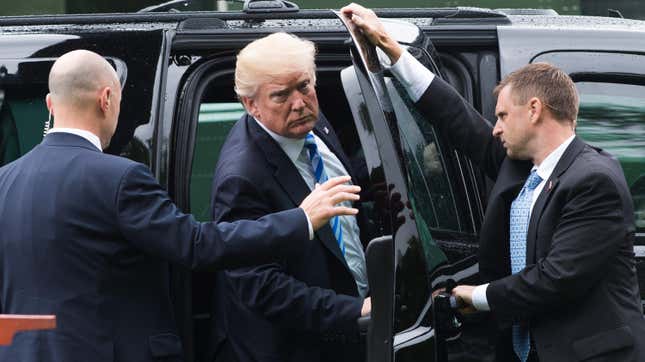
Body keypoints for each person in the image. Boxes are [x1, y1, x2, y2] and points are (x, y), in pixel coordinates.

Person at [0, 49, 361, 362]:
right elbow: (198, 246)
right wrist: (301, 219)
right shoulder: (119, 179)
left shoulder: (4, 181)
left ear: (50, 104)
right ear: (107, 99)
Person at [341, 3, 645, 362]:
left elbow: (555, 278)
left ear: (534, 110)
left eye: (502, 115)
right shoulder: (520, 165)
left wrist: (476, 296)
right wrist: (393, 51)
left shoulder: (594, 180)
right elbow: (456, 117)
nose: (495, 127)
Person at [209, 32, 369, 362]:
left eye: (305, 86)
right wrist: (356, 309)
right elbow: (262, 288)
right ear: (250, 105)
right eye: (281, 96)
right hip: (299, 347)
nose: (299, 103)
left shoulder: (308, 121)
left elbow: (333, 181)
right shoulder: (241, 178)